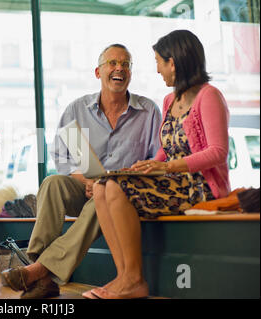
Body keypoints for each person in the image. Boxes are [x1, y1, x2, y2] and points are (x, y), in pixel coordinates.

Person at [1, 43, 162, 298]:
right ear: (98, 72)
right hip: (84, 184)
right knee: (52, 183)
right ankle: (39, 269)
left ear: (130, 73)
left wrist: (113, 181)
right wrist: (84, 179)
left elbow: (158, 159)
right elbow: (60, 156)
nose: (119, 68)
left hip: (122, 195)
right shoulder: (76, 109)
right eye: (112, 63)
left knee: (104, 194)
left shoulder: (149, 111)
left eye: (126, 64)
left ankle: (36, 273)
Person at [87, 30, 230, 299]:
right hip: (174, 181)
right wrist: (145, 166)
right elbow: (167, 149)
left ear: (173, 62)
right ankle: (124, 276)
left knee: (116, 188)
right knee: (101, 187)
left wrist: (167, 168)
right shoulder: (170, 100)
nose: (157, 70)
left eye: (159, 62)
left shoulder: (208, 96)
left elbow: (218, 152)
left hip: (200, 186)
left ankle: (134, 279)